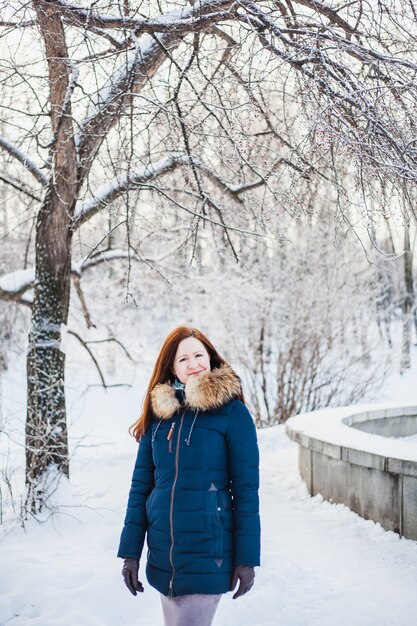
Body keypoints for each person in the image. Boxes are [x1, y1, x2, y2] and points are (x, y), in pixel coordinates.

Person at [117, 325, 261, 626]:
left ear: (211, 358)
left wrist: (247, 558)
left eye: (199, 355)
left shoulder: (232, 413)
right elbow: (141, 486)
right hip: (163, 557)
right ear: (171, 367)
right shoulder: (159, 414)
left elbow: (246, 490)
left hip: (208, 553)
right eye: (183, 359)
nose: (193, 364)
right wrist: (130, 552)